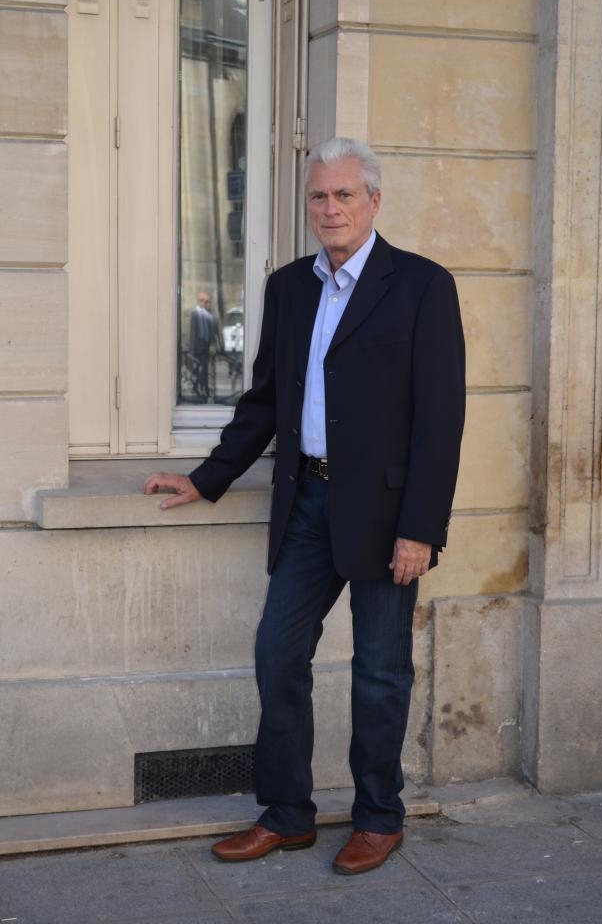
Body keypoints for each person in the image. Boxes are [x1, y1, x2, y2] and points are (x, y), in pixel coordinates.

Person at [144, 137, 465, 875]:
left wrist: (421, 528)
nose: (331, 208)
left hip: (387, 514)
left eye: (345, 195)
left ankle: (378, 817)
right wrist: (207, 477)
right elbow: (264, 401)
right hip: (308, 502)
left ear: (374, 201)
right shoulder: (289, 287)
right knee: (278, 652)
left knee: (380, 671)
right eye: (319, 196)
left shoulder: (422, 285)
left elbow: (441, 419)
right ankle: (287, 814)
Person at [189, 290, 216, 399]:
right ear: (198, 301)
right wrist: (191, 351)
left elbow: (212, 333)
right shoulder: (195, 314)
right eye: (202, 300)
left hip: (206, 346)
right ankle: (201, 388)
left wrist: (213, 344)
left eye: (206, 301)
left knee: (204, 369)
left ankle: (202, 388)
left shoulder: (209, 316)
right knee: (199, 369)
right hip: (197, 346)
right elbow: (192, 332)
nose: (204, 303)